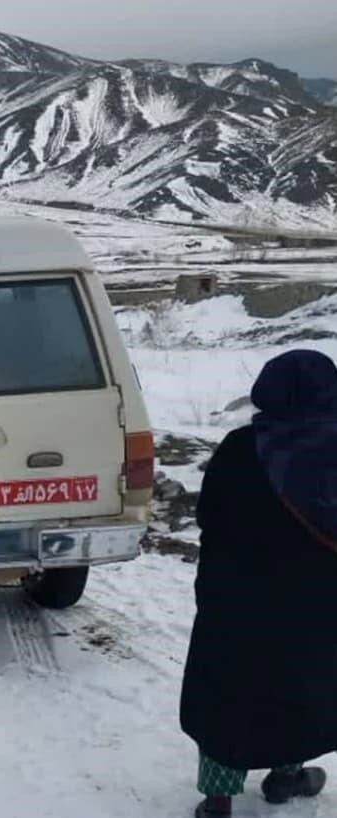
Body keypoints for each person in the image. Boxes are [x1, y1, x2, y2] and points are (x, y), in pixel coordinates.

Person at [180, 349, 337, 817]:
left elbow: (209, 516)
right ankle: (286, 774)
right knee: (300, 683)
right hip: (317, 602)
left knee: (227, 689)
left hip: (236, 598)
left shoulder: (238, 448)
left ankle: (218, 797)